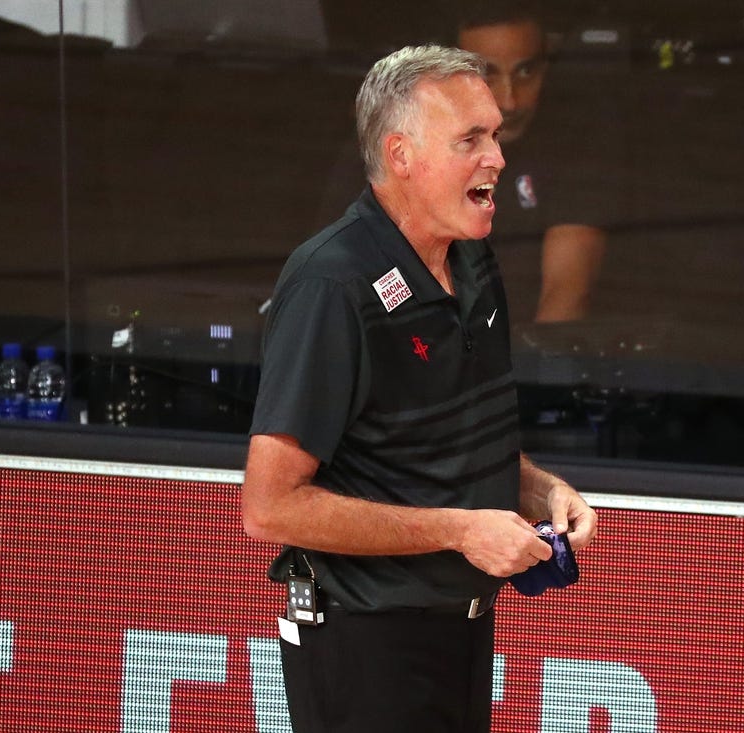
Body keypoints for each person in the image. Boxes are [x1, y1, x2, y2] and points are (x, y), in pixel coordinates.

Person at [241, 45, 598, 733]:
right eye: (472, 139)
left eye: (494, 135)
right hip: (365, 644)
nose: (497, 157)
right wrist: (462, 530)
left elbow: (439, 444)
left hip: (462, 633)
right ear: (401, 155)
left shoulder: (473, 262)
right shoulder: (331, 283)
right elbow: (269, 505)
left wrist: (536, 488)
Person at [455, 0, 613, 323]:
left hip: (521, 360)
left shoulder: (575, 141)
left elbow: (566, 294)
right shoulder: (400, 147)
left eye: (525, 72)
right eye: (487, 75)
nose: (509, 100)